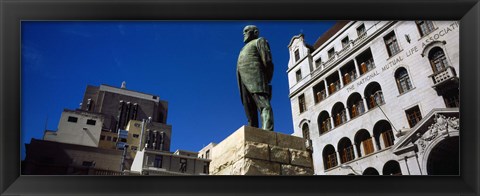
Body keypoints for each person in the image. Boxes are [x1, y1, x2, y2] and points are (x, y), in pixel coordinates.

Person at [237, 25, 274, 131]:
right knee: (249, 108)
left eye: (246, 31)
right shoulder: (244, 48)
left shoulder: (260, 41)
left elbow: (267, 61)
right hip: (243, 80)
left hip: (257, 79)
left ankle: (267, 130)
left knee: (263, 105)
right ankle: (253, 130)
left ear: (255, 32)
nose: (244, 33)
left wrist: (266, 79)